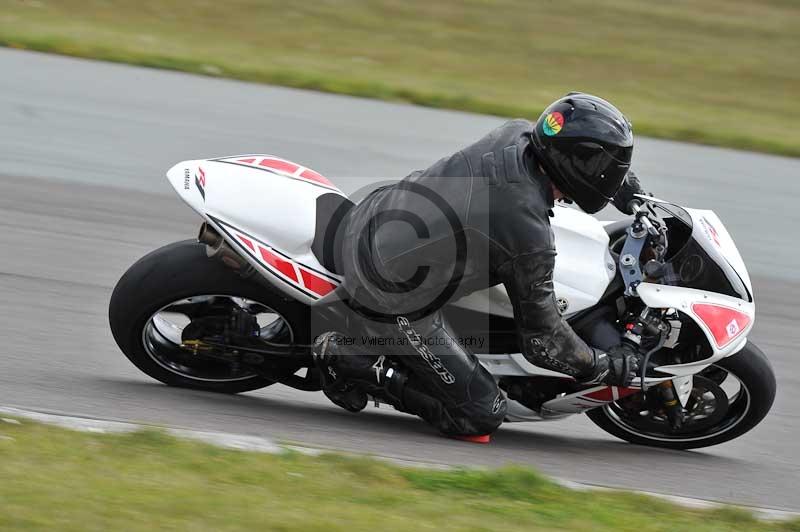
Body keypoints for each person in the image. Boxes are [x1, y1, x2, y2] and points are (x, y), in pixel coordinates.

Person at [313, 92, 647, 441]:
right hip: (388, 292)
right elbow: (543, 341)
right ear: (577, 164)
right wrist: (600, 364)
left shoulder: (518, 134)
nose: (608, 176)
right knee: (482, 414)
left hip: (379, 214)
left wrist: (627, 190)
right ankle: (350, 360)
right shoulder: (525, 228)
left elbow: (570, 155)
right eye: (606, 170)